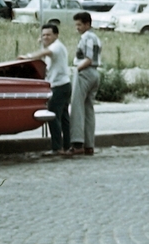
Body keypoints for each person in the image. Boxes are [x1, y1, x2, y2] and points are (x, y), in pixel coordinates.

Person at [28, 23, 73, 155]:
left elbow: (45, 53)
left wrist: (28, 56)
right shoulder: (55, 46)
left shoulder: (56, 47)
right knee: (63, 117)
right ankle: (67, 146)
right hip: (64, 84)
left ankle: (57, 147)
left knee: (53, 117)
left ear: (56, 35)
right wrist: (42, 44)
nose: (45, 37)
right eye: (43, 35)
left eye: (48, 35)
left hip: (58, 86)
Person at [69, 11, 102, 156]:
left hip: (85, 72)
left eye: (79, 25)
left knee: (77, 107)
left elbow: (88, 58)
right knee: (88, 109)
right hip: (94, 73)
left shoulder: (87, 37)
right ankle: (89, 144)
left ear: (87, 24)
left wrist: (77, 69)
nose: (77, 27)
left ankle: (77, 143)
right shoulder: (96, 38)